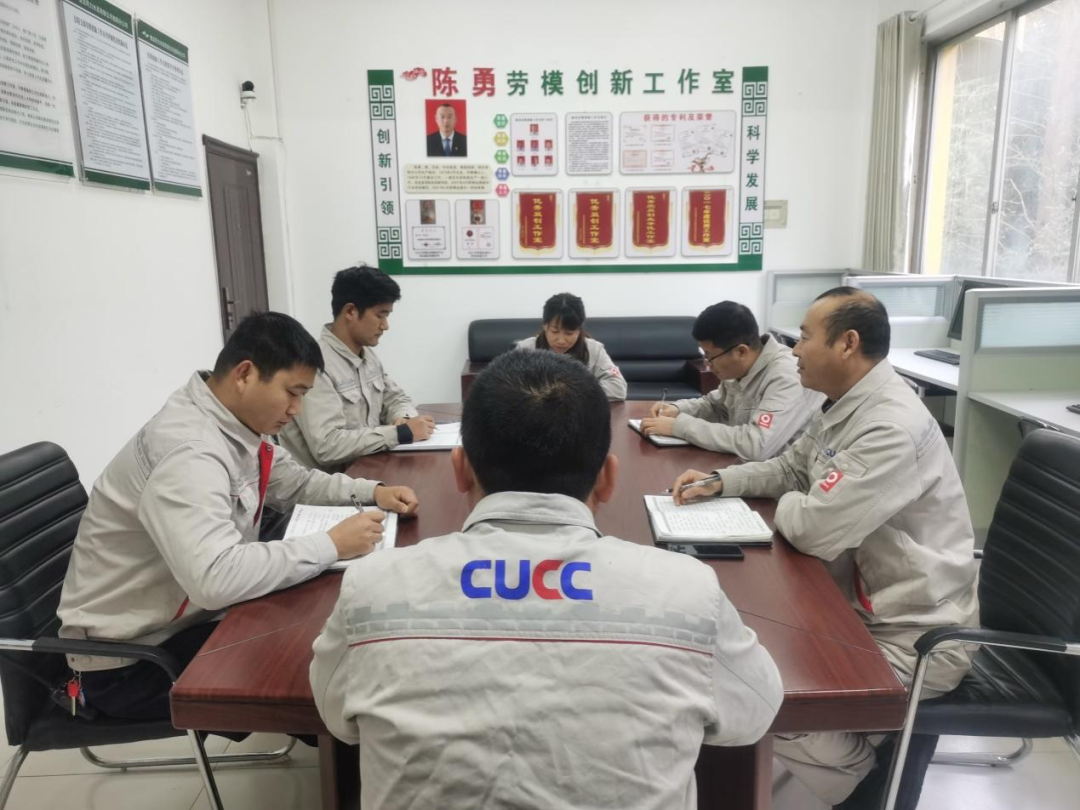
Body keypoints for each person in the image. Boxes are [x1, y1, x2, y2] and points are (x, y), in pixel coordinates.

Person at [311, 350, 782, 810]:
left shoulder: (371, 588)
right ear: (608, 479)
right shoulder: (688, 594)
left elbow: (338, 719)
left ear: (460, 469)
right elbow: (755, 713)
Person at [671, 288, 979, 809]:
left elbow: (813, 529)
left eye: (805, 337)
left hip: (913, 638)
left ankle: (861, 784)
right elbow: (792, 467)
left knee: (758, 692)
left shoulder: (889, 426)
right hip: (855, 607)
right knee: (740, 648)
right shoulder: (847, 403)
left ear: (847, 343)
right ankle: (855, 755)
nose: (793, 350)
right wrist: (724, 482)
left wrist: (799, 499)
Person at [56, 311, 419, 722]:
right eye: (293, 393)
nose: (297, 410)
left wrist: (372, 492)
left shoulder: (232, 424)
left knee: (329, 636)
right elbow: (215, 579)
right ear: (245, 374)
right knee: (322, 671)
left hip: (187, 621)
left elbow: (296, 481)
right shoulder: (189, 451)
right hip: (133, 662)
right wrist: (331, 544)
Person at [280, 265, 433, 471]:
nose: (385, 326)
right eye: (380, 315)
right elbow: (326, 446)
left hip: (369, 469)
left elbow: (395, 398)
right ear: (350, 311)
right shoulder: (315, 364)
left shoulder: (366, 355)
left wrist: (403, 418)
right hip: (331, 484)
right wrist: (400, 433)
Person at [640, 301, 822, 461]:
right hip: (740, 467)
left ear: (741, 352)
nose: (707, 363)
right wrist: (677, 409)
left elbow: (756, 444)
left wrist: (680, 426)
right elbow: (715, 405)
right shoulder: (740, 368)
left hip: (779, 482)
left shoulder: (786, 376)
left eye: (710, 356)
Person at [514, 292, 627, 401]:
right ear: (545, 325)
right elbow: (510, 388)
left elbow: (618, 388)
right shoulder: (525, 350)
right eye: (555, 331)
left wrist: (572, 393)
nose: (561, 341)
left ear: (580, 327)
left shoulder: (594, 350)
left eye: (569, 333)